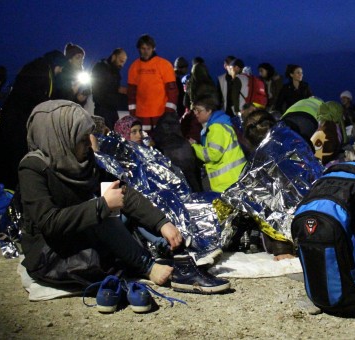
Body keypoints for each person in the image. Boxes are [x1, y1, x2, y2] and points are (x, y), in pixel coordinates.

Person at [19, 100, 229, 293]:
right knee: (102, 212)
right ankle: (149, 268)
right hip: (52, 255)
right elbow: (48, 222)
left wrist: (162, 223)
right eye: (80, 136)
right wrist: (101, 206)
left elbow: (124, 193)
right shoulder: (33, 167)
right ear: (60, 137)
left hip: (77, 240)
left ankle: (176, 252)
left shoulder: (81, 161)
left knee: (118, 209)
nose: (88, 141)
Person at [0, 50, 68, 190]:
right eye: (60, 68)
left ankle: (8, 190)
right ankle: (12, 193)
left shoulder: (36, 66)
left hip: (14, 118)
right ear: (56, 64)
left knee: (9, 158)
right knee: (16, 158)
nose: (60, 72)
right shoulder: (42, 72)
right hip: (18, 122)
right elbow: (39, 100)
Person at [189, 95, 246, 192]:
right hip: (234, 178)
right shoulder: (221, 123)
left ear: (209, 111)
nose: (195, 113)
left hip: (228, 182)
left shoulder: (217, 128)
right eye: (194, 110)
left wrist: (194, 146)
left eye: (198, 111)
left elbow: (212, 155)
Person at [127, 34, 178, 136]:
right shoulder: (134, 66)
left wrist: (169, 111)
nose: (145, 51)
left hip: (161, 114)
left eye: (148, 48)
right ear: (138, 49)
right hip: (141, 115)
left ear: (153, 48)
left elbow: (172, 91)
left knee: (161, 141)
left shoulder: (164, 65)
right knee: (144, 144)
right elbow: (131, 92)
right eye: (143, 48)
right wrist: (132, 113)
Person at [91, 48, 128, 130]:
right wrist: (118, 89)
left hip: (112, 109)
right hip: (102, 109)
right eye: (121, 61)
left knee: (115, 134)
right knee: (103, 137)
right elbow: (100, 87)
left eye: (124, 62)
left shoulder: (115, 71)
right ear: (114, 57)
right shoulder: (101, 67)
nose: (122, 65)